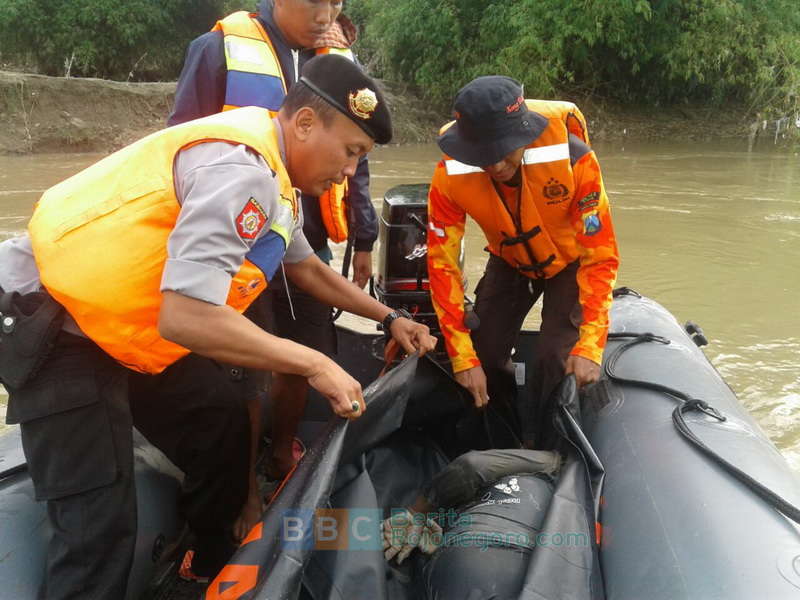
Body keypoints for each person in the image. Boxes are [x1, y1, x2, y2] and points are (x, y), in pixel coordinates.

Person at [0, 55, 436, 599]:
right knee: (97, 528)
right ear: (305, 123)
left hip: (120, 325)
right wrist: (315, 362)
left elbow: (305, 267)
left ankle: (205, 565)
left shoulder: (275, 174)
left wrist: (389, 317)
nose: (350, 171)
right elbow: (186, 315)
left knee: (220, 420)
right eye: (351, 151)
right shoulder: (242, 171)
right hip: (52, 321)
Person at [168, 0, 378, 485]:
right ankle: (243, 484)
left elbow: (358, 161)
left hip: (303, 235)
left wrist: (365, 236)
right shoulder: (218, 49)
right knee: (242, 369)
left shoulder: (341, 65)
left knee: (308, 345)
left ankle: (282, 452)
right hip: (234, 244)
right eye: (315, 1)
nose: (327, 15)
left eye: (337, 2)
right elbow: (183, 142)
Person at [427, 76, 619, 449]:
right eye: (484, 155)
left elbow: (600, 254)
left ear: (525, 133)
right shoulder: (449, 174)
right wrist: (463, 358)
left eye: (505, 150)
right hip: (508, 259)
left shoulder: (575, 158)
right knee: (484, 351)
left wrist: (591, 345)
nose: (497, 164)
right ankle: (502, 440)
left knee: (554, 358)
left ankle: (549, 447)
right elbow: (442, 263)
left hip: (569, 262)